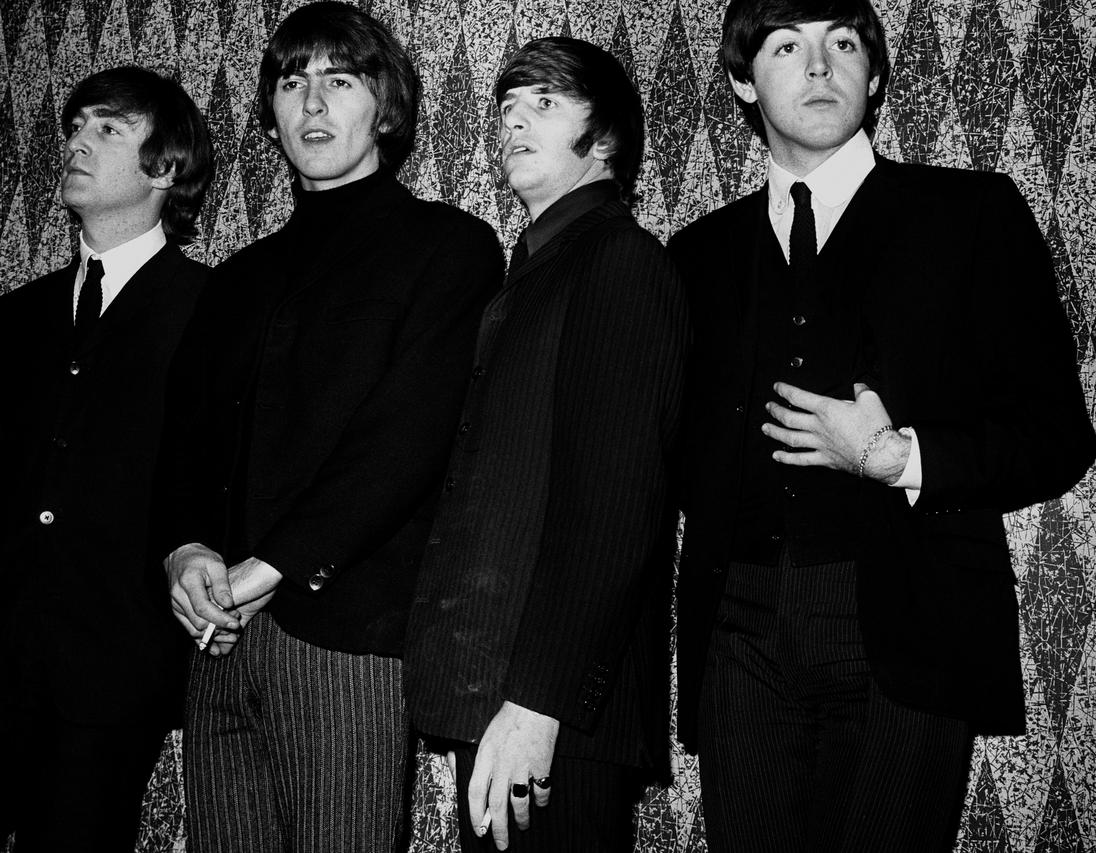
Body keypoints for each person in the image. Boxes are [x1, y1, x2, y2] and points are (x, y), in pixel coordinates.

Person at [667, 0, 1096, 848]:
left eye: (844, 43)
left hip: (908, 623)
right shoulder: (695, 253)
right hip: (736, 633)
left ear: (875, 73)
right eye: (786, 46)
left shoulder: (972, 214)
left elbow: (1057, 434)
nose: (819, 66)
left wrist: (893, 455)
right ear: (740, 82)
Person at [154, 4, 503, 851]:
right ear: (271, 115)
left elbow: (403, 441)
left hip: (347, 638)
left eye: (339, 80)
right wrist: (187, 550)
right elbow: (184, 443)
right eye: (291, 81)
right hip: (218, 643)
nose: (311, 101)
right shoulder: (237, 278)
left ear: (383, 106)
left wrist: (262, 570)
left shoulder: (448, 246)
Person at [0, 66, 214, 852]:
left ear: (165, 169)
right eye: (75, 125)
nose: (77, 140)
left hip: (109, 681)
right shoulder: (18, 315)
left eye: (108, 128)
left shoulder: (209, 308)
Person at [404, 36, 687, 853]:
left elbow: (614, 507)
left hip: (550, 712)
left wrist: (538, 705)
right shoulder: (539, 267)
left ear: (603, 140)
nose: (513, 123)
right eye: (506, 108)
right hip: (501, 692)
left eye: (545, 104)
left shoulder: (620, 262)